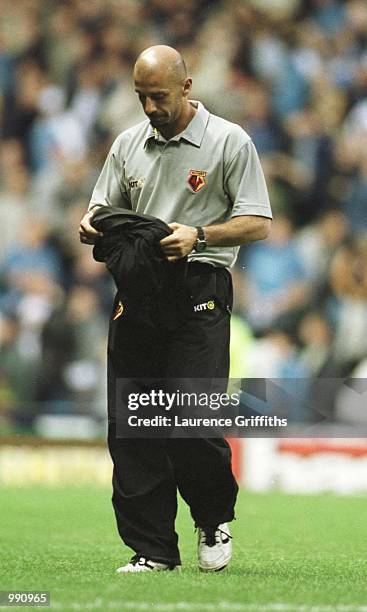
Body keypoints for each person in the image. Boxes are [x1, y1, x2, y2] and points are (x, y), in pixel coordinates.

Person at [79, 45, 272, 573]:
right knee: (133, 424)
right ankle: (153, 550)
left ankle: (212, 519)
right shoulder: (127, 143)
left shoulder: (230, 141)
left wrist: (201, 233)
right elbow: (100, 206)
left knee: (192, 418)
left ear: (186, 88)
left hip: (200, 286)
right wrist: (91, 223)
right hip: (139, 291)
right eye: (141, 97)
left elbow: (258, 221)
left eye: (158, 96)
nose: (149, 108)